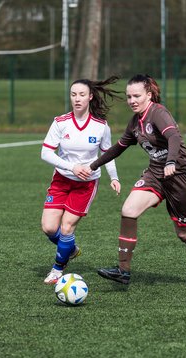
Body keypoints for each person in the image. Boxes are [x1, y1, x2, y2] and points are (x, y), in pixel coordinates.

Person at [83, 74, 186, 286]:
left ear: (149, 95)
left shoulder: (158, 113)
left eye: (136, 96)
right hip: (155, 174)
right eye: (129, 96)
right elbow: (119, 147)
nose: (132, 100)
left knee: (184, 232)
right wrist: (93, 165)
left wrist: (171, 162)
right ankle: (123, 270)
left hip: (180, 176)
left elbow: (174, 138)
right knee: (128, 210)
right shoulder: (135, 122)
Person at [41, 76, 121, 284]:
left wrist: (114, 177)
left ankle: (58, 269)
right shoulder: (60, 122)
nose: (77, 99)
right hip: (61, 179)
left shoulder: (101, 126)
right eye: (73, 94)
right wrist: (72, 167)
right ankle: (71, 248)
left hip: (86, 184)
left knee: (67, 227)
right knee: (49, 228)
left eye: (82, 95)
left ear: (90, 97)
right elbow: (46, 153)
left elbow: (107, 154)